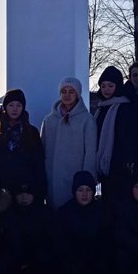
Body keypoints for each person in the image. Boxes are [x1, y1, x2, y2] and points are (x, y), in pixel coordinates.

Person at [55, 171, 110, 274]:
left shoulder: (101, 211)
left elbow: (105, 238)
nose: (84, 194)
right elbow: (59, 239)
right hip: (72, 259)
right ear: (74, 191)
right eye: (80, 190)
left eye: (88, 190)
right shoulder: (65, 212)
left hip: (94, 258)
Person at [40, 77, 97, 209]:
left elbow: (90, 152)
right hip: (52, 178)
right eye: (64, 91)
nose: (67, 95)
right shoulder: (49, 120)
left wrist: (87, 180)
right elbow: (42, 150)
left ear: (77, 94)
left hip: (75, 178)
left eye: (71, 91)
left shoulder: (87, 120)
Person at [0, 89, 46, 201]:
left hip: (25, 193)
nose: (15, 109)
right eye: (11, 105)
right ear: (5, 107)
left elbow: (39, 164)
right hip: (2, 194)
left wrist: (35, 192)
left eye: (18, 105)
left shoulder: (32, 132)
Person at [92, 66, 137, 206]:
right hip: (104, 165)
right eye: (103, 86)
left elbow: (129, 137)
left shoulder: (125, 107)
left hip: (119, 165)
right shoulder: (100, 107)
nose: (106, 89)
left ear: (117, 86)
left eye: (110, 86)